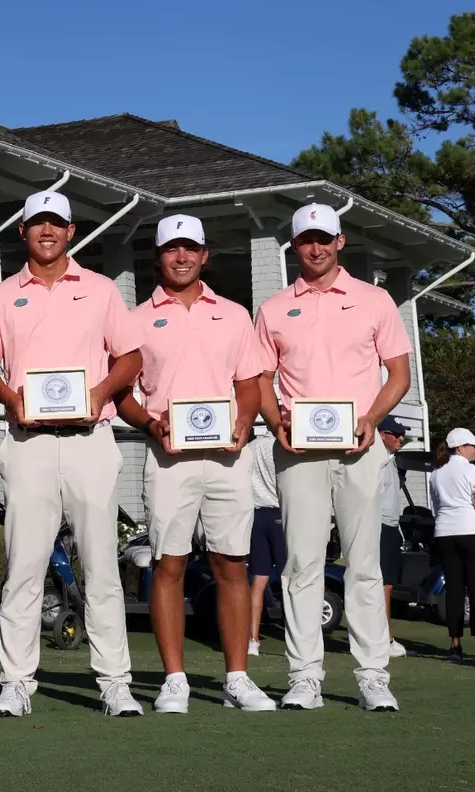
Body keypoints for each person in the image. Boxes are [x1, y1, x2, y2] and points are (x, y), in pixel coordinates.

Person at [0, 190, 145, 718]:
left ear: (71, 231)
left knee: (101, 566)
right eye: (37, 223)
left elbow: (131, 357)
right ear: (22, 231)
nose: (46, 231)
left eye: (56, 223)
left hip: (90, 441)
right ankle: (16, 683)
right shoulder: (2, 296)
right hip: (28, 443)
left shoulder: (100, 290)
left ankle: (115, 682)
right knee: (24, 566)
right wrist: (13, 400)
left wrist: (100, 392)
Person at [115, 214, 276, 714]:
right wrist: (151, 424)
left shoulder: (234, 314)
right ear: (158, 257)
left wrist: (243, 422)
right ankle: (174, 680)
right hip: (168, 459)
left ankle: (236, 679)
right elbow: (123, 394)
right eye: (172, 249)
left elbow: (248, 384)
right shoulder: (136, 319)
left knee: (232, 564)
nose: (181, 257)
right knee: (168, 564)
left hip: (228, 459)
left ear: (205, 255)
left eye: (190, 248)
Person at [255, 203, 411, 713]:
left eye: (324, 238)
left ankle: (372, 676)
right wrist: (276, 423)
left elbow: (399, 374)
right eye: (306, 240)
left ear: (340, 241)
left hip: (360, 448)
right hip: (298, 452)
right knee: (301, 563)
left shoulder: (375, 299)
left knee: (364, 563)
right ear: (294, 245)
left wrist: (372, 418)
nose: (316, 248)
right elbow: (260, 378)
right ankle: (305, 677)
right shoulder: (274, 308)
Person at [428, 427, 475, 661]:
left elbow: (436, 508)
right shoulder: (473, 470)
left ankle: (455, 646)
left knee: (454, 591)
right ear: (460, 447)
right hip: (473, 532)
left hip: (445, 534)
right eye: (473, 445)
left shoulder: (436, 473)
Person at [245, 430, 284, 658]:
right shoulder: (281, 446)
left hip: (256, 516)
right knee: (290, 579)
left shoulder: (250, 448)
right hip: (279, 514)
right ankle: (296, 639)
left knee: (258, 580)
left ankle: (253, 640)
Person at [377, 418, 410, 658]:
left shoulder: (392, 461)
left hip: (390, 526)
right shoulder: (377, 460)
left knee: (385, 584)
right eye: (396, 434)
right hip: (378, 525)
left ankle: (381, 638)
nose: (400, 438)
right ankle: (384, 640)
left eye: (402, 434)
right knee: (383, 584)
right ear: (382, 435)